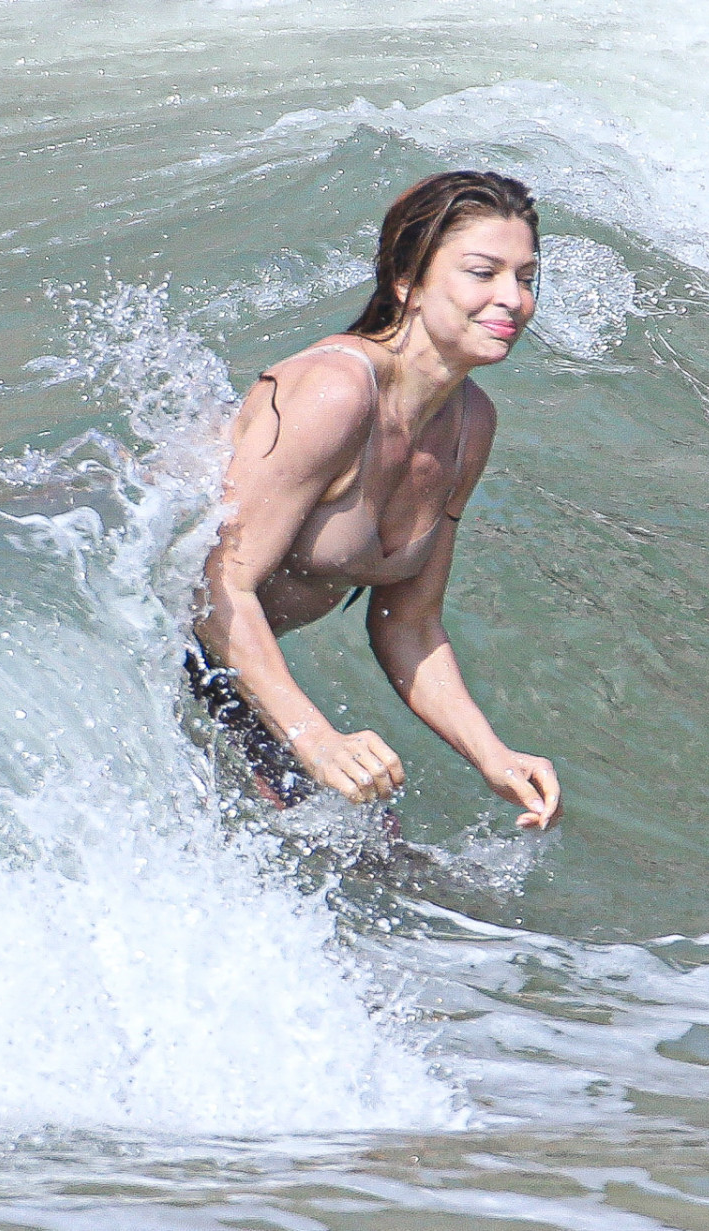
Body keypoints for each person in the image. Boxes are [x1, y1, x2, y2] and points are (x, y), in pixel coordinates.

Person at [189, 170, 562, 831]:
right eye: (483, 272)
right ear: (407, 282)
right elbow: (214, 585)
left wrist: (493, 754)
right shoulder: (336, 392)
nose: (513, 298)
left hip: (215, 669)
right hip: (143, 637)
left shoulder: (470, 424)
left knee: (373, 851)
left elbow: (407, 623)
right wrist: (315, 736)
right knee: (344, 841)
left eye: (526, 277)